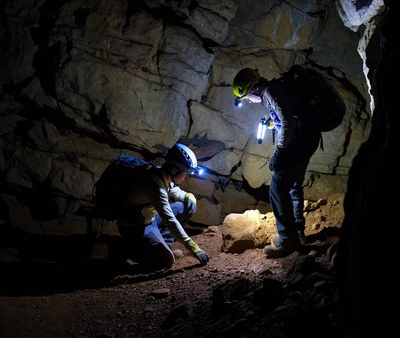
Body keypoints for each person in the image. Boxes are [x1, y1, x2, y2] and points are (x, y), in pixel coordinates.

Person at [232, 67, 321, 258]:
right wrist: (274, 124)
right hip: (308, 137)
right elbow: (289, 115)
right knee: (293, 184)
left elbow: (288, 121)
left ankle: (288, 240)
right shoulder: (276, 89)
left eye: (247, 97)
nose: (248, 101)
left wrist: (279, 152)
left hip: (301, 140)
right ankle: (297, 233)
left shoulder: (271, 91)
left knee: (277, 186)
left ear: (253, 88)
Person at [109, 143, 209, 272]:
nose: (187, 177)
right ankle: (121, 248)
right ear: (174, 170)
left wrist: (189, 197)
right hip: (136, 228)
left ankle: (163, 246)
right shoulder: (154, 184)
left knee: (183, 206)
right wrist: (194, 248)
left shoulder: (162, 175)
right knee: (166, 261)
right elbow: (170, 220)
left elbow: (176, 192)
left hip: (149, 220)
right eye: (185, 173)